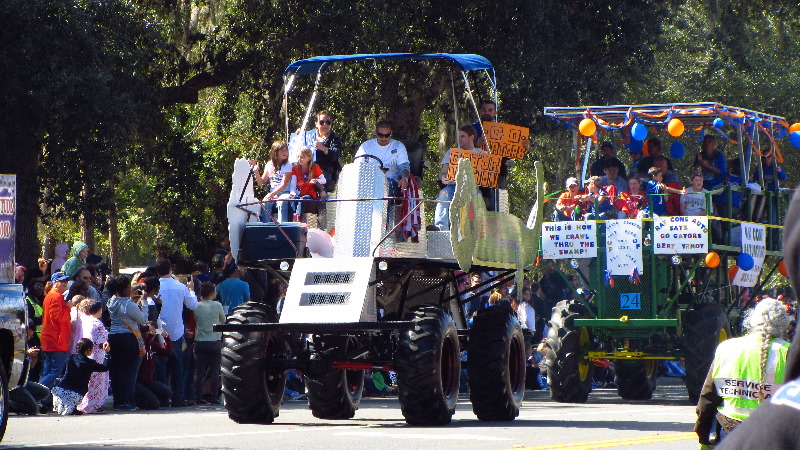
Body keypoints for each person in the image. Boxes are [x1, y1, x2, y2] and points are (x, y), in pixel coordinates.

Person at [695, 298, 791, 445]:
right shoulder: (788, 352)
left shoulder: (726, 348)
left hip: (730, 432)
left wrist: (703, 435)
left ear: (752, 320)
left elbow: (708, 397)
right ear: (784, 323)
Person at [155, 258, 198, 407]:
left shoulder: (156, 287)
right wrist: (191, 290)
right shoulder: (180, 287)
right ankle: (178, 398)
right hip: (176, 331)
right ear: (171, 269)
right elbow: (193, 305)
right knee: (177, 366)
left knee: (161, 366)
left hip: (159, 330)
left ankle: (163, 398)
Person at [107, 275, 148, 411]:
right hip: (128, 338)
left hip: (114, 337)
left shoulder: (111, 302)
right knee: (130, 372)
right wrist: (145, 302)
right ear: (125, 288)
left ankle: (118, 402)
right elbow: (143, 320)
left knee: (117, 371)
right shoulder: (129, 305)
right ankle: (128, 402)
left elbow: (122, 308)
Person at [434, 125, 484, 231]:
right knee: (443, 194)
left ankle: (474, 232)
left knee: (477, 197)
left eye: (463, 136)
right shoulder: (451, 152)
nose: (459, 139)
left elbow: (488, 177)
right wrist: (444, 178)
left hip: (472, 187)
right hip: (453, 186)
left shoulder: (481, 153)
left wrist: (484, 159)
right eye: (458, 136)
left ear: (471, 137)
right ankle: (440, 228)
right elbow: (443, 172)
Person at [51, 338, 109, 415]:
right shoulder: (89, 363)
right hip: (75, 394)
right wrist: (107, 353)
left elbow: (62, 374)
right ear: (88, 350)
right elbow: (105, 367)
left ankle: (63, 407)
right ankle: (72, 408)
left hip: (59, 391)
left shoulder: (70, 357)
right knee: (79, 392)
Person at [40, 272, 77, 389]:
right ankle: (37, 391)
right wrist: (68, 306)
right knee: (55, 371)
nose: (65, 283)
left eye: (66, 281)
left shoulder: (52, 296)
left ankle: (43, 399)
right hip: (56, 340)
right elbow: (59, 318)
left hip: (51, 339)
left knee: (48, 370)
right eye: (62, 281)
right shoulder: (55, 297)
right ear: (55, 283)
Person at [355, 120, 410, 197]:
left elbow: (404, 165)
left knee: (386, 189)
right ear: (376, 133)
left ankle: (386, 208)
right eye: (381, 135)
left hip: (390, 181)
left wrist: (404, 178)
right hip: (369, 181)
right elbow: (358, 166)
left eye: (387, 135)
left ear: (391, 133)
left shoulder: (398, 146)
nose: (384, 138)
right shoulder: (366, 146)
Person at [194, 282, 225, 405]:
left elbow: (196, 320)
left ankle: (198, 397)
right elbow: (223, 320)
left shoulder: (197, 305)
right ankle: (214, 397)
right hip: (214, 341)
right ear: (212, 293)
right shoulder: (217, 305)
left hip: (200, 341)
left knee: (199, 371)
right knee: (215, 370)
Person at [76, 299, 109, 414]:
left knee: (90, 380)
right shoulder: (96, 323)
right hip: (98, 354)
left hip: (87, 353)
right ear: (99, 310)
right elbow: (100, 341)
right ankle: (93, 405)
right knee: (97, 380)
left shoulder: (85, 320)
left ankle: (85, 404)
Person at [250, 140, 294, 223]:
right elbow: (262, 182)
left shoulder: (288, 165)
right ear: (275, 152)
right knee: (265, 202)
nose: (285, 152)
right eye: (282, 150)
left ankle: (282, 226)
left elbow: (283, 185)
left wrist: (271, 194)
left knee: (282, 202)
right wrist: (256, 172)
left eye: (286, 150)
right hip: (273, 194)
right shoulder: (269, 164)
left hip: (284, 193)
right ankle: (266, 227)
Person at [300, 110, 342, 192]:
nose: (325, 124)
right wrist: (299, 134)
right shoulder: (308, 135)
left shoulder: (334, 138)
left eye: (328, 122)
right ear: (316, 123)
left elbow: (336, 154)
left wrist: (323, 148)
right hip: (305, 170)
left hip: (324, 173)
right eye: (322, 122)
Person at [136, 324, 172, 410]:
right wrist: (150, 334)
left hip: (148, 382)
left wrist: (166, 337)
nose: (152, 332)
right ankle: (136, 402)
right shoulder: (142, 344)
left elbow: (167, 352)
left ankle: (153, 398)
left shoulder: (154, 346)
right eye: (149, 330)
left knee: (168, 391)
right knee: (154, 405)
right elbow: (146, 344)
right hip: (138, 382)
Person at [290, 146, 326, 218]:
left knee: (304, 199)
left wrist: (316, 180)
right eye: (298, 157)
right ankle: (292, 219)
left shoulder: (315, 167)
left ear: (309, 158)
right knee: (294, 198)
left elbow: (324, 180)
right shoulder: (295, 168)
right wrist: (292, 192)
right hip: (299, 193)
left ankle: (298, 219)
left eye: (302, 157)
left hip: (310, 194)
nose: (300, 159)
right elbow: (293, 184)